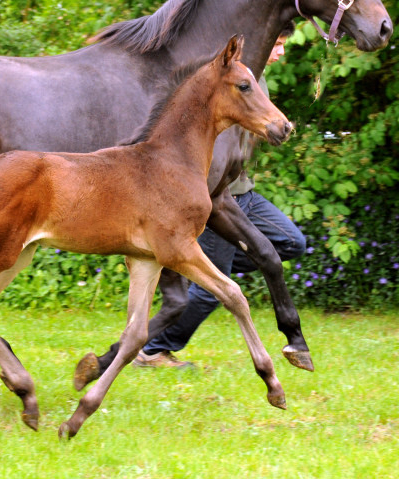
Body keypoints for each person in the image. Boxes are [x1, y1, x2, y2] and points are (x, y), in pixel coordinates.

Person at [134, 23, 305, 368]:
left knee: (291, 242)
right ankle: (153, 350)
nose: (281, 51)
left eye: (285, 44)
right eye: (278, 43)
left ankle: (197, 268)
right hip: (220, 197)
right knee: (213, 291)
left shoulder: (255, 82)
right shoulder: (227, 83)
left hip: (246, 194)